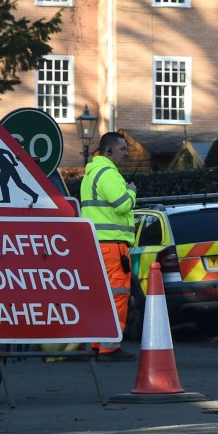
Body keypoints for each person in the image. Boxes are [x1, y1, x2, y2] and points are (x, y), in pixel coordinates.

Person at [80, 132, 137, 361]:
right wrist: (132, 190)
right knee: (118, 294)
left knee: (100, 297)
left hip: (95, 245)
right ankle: (110, 347)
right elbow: (123, 205)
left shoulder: (90, 175)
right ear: (109, 151)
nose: (127, 153)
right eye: (123, 149)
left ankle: (97, 344)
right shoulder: (109, 174)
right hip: (113, 246)